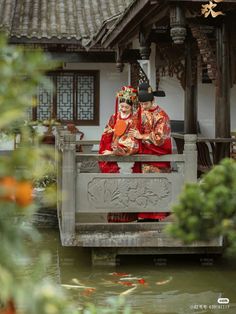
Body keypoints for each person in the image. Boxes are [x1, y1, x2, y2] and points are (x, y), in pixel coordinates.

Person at [129, 82, 172, 222]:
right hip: (142, 156)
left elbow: (161, 138)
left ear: (153, 100)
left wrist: (142, 136)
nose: (143, 107)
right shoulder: (140, 112)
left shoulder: (162, 116)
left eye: (146, 104)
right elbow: (132, 127)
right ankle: (143, 216)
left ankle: (155, 218)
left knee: (155, 188)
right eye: (141, 104)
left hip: (156, 158)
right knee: (141, 188)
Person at [99, 85, 139, 222]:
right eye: (121, 106)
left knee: (126, 186)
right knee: (112, 187)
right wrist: (109, 139)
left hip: (125, 157)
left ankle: (127, 217)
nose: (123, 109)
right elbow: (106, 134)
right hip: (112, 154)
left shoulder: (134, 120)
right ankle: (113, 216)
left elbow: (133, 140)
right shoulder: (114, 117)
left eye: (126, 107)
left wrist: (118, 149)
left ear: (132, 107)